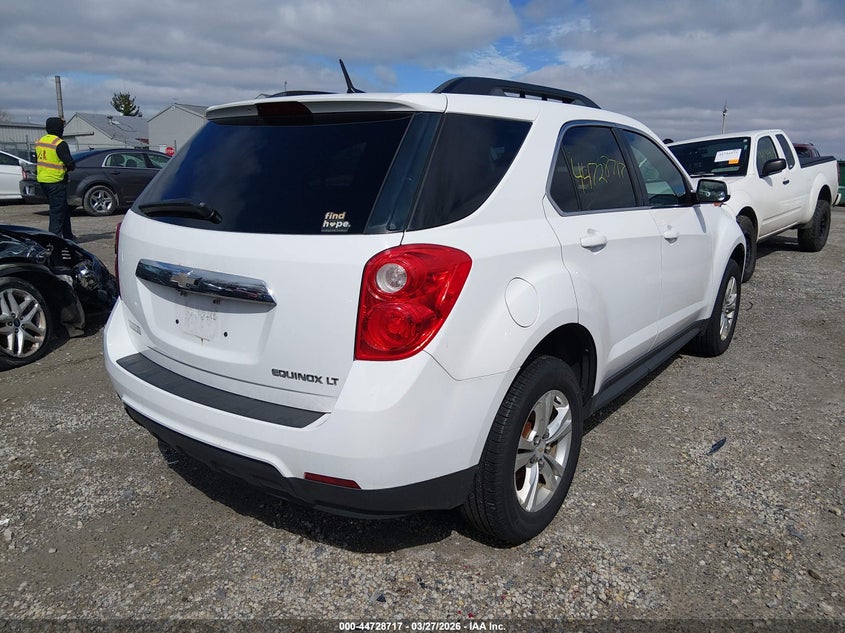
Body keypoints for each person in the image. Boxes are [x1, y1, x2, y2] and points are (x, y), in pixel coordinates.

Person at [36, 117, 76, 240]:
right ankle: (53, 239)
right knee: (57, 212)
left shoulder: (40, 142)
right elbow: (70, 164)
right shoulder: (59, 143)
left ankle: (68, 236)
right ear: (59, 128)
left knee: (63, 208)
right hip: (55, 181)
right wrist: (66, 168)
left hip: (43, 180)